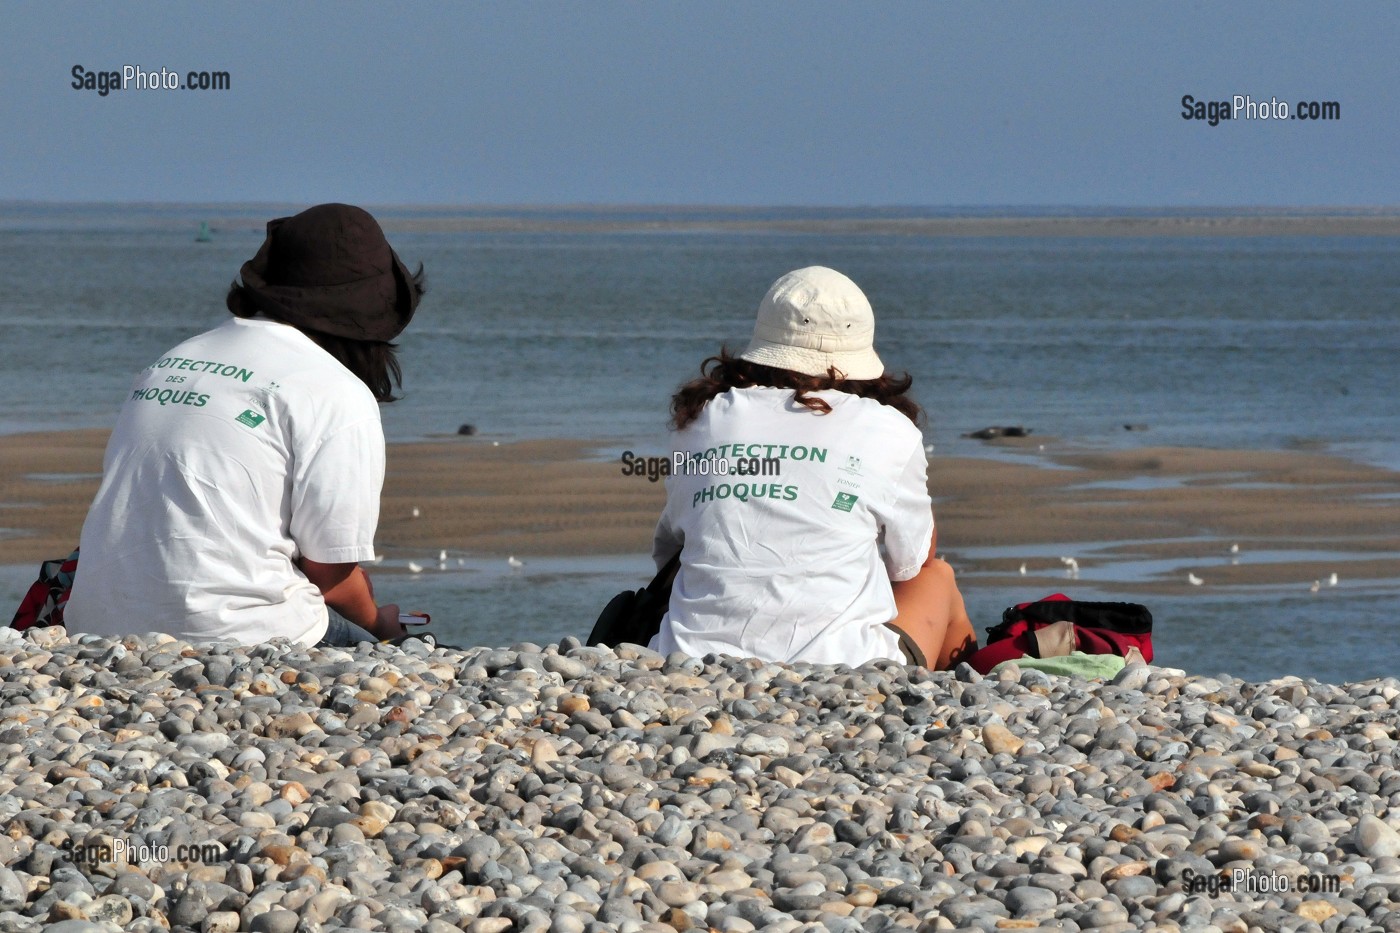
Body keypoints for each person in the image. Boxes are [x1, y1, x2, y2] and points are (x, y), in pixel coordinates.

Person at [65, 203, 423, 647]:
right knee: (417, 661)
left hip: (94, 623)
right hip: (236, 631)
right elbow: (330, 576)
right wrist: (380, 622)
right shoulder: (336, 391)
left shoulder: (174, 359)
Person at [650, 266, 976, 668]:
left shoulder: (702, 419)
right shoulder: (887, 428)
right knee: (937, 578)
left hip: (690, 658)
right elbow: (912, 561)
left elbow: (670, 549)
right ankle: (972, 690)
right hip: (846, 666)